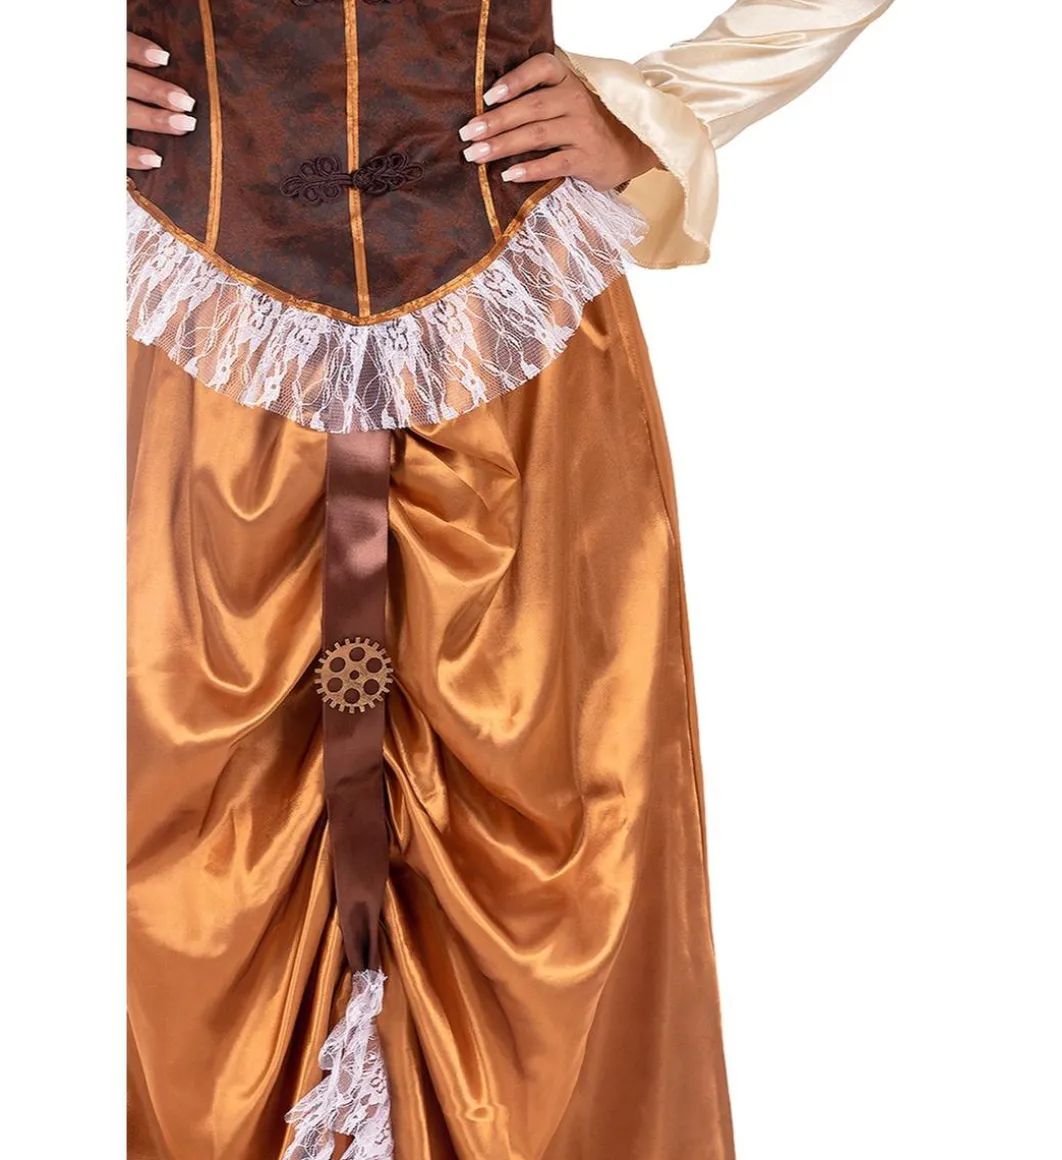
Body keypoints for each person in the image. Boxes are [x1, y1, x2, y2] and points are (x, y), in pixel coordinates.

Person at [126, 3, 892, 1158]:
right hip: (193, 346)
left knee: (546, 879)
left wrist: (661, 112)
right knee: (176, 874)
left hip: (507, 363)